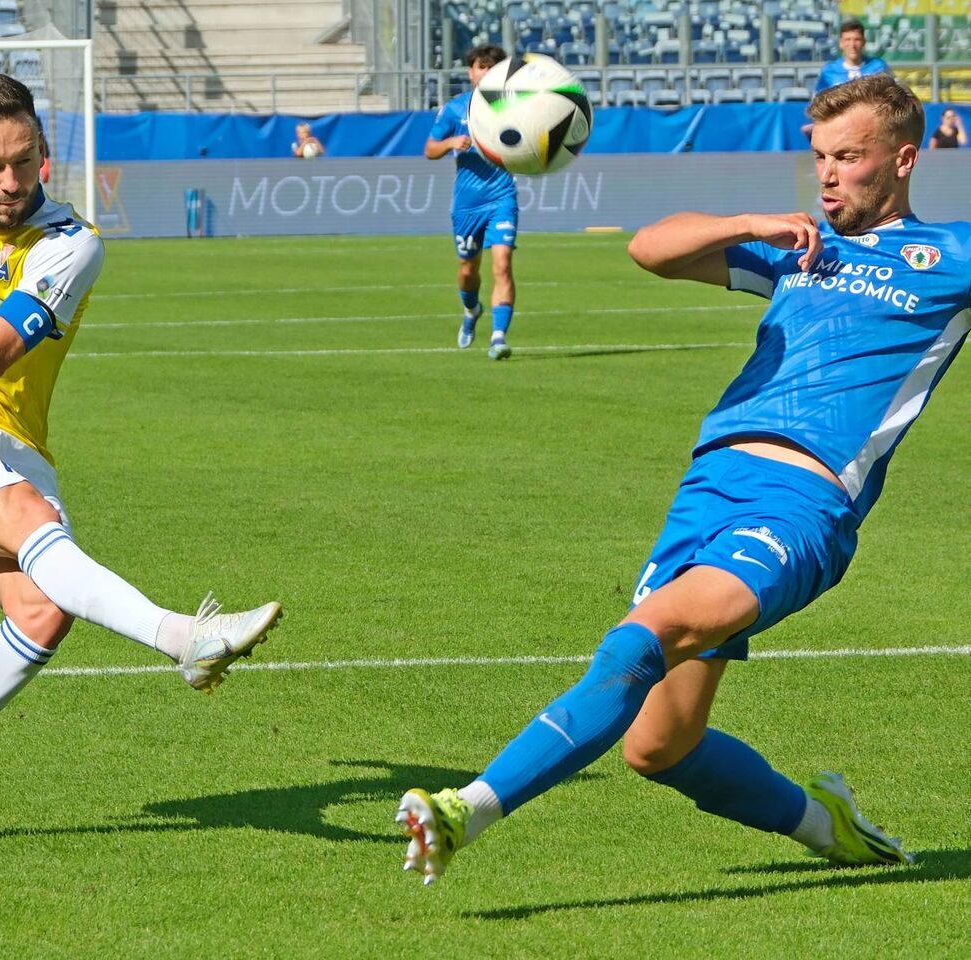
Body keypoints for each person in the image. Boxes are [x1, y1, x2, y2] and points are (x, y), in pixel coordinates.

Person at [396, 74, 954, 883]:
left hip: (801, 507)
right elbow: (650, 246)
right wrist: (755, 223)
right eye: (819, 158)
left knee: (642, 642)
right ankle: (825, 825)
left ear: (902, 160)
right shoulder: (800, 249)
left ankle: (465, 809)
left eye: (849, 158)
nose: (828, 174)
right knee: (659, 747)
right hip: (706, 492)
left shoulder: (948, 260)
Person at [0, 74, 282, 850]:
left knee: (42, 612)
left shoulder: (72, 246)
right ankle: (182, 638)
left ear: (43, 152)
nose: (10, 182)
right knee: (30, 523)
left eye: (25, 162)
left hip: (9, 445)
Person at [425, 44, 518, 361]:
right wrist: (451, 142)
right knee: (468, 269)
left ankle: (498, 337)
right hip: (466, 204)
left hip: (502, 197)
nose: (486, 72)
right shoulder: (454, 109)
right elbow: (430, 149)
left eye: (493, 67)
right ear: (471, 72)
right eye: (481, 66)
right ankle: (471, 308)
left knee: (503, 263)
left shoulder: (516, 108)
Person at [816, 19, 889, 92]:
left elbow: (892, 94)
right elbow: (818, 99)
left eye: (857, 39)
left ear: (864, 42)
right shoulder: (829, 70)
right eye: (848, 40)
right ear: (841, 43)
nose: (852, 45)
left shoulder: (878, 67)